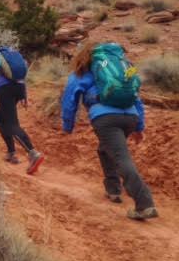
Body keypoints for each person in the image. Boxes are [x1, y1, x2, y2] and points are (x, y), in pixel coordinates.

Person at [61, 41, 158, 220]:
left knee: (121, 157)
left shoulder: (84, 71)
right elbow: (136, 97)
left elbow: (70, 97)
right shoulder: (123, 67)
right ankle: (113, 190)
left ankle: (145, 204)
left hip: (105, 118)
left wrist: (67, 125)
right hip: (130, 117)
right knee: (105, 150)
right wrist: (139, 126)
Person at [0, 30, 44, 175]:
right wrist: (23, 94)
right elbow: (18, 72)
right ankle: (11, 152)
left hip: (4, 89)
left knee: (11, 124)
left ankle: (33, 153)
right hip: (17, 87)